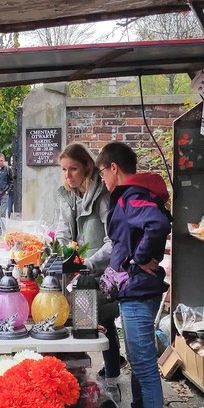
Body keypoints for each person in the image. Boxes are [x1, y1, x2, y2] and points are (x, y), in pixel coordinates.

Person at [96, 141, 172, 408]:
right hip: (136, 290)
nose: (102, 179)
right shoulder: (134, 194)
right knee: (140, 364)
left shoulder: (131, 195)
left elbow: (158, 224)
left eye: (102, 172)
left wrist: (138, 259)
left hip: (139, 291)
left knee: (144, 367)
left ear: (114, 168)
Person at [55, 143, 121, 378]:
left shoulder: (103, 196)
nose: (68, 175)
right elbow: (63, 229)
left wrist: (89, 263)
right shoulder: (68, 195)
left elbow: (113, 241)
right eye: (64, 170)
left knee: (104, 319)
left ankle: (112, 375)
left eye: (73, 169)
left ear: (87, 166)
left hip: (101, 270)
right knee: (76, 320)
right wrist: (61, 253)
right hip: (77, 270)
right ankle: (76, 374)